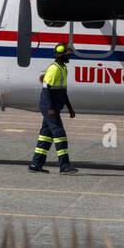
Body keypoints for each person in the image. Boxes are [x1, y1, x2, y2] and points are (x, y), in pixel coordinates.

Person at [30, 43, 78, 174]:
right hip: (49, 107)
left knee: (46, 135)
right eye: (68, 54)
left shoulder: (63, 68)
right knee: (59, 134)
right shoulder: (54, 69)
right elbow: (46, 90)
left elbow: (63, 91)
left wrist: (70, 108)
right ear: (62, 55)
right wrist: (50, 107)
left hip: (55, 107)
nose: (70, 56)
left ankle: (36, 164)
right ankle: (64, 166)